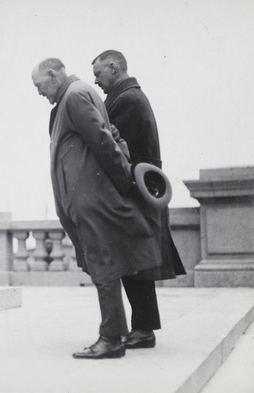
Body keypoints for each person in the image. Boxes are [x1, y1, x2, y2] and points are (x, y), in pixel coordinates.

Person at [31, 58, 165, 359]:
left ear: (53, 75)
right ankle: (113, 334)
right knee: (106, 265)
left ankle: (111, 338)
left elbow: (104, 141)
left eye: (39, 86)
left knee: (103, 265)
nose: (39, 92)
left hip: (92, 200)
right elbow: (113, 134)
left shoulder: (75, 95)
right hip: (90, 199)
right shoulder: (80, 94)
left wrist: (125, 180)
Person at [91, 50, 186, 349]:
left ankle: (143, 329)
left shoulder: (126, 101)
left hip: (135, 191)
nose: (96, 81)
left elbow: (119, 153)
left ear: (113, 67)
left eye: (98, 74)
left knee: (134, 262)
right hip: (144, 188)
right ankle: (143, 327)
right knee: (136, 262)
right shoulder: (130, 96)